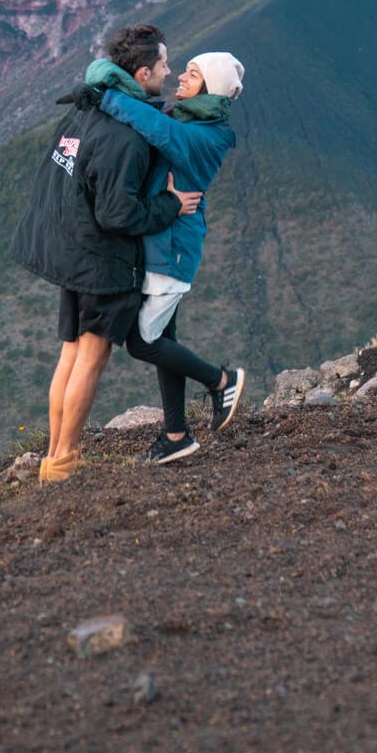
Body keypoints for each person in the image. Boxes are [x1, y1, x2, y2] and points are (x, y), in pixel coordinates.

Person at [9, 23, 202, 483]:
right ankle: (63, 465)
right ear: (141, 73)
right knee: (91, 360)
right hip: (101, 263)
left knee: (70, 355)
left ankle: (54, 458)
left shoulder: (85, 108)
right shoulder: (126, 134)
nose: (169, 71)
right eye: (163, 65)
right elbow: (119, 214)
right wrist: (171, 205)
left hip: (73, 253)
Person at [83, 49, 247, 464]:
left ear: (210, 87)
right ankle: (176, 435)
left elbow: (156, 128)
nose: (181, 79)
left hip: (172, 253)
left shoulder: (206, 135)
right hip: (161, 245)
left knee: (142, 342)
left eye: (192, 74)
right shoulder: (189, 119)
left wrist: (105, 94)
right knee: (163, 341)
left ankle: (221, 380)